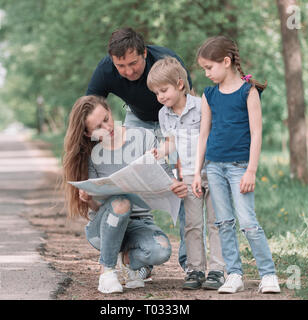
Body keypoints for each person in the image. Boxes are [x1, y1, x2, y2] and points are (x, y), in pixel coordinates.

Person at [86, 27, 192, 274]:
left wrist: (184, 148)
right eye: (121, 66)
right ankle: (137, 252)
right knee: (130, 180)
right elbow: (88, 112)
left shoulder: (167, 61)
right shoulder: (105, 69)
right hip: (137, 119)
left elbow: (190, 107)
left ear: (145, 53)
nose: (128, 71)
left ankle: (191, 264)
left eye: (133, 63)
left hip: (174, 120)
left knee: (183, 186)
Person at [62, 95, 188, 294]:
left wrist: (175, 186)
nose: (107, 127)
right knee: (121, 202)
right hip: (105, 226)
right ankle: (107, 271)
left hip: (140, 222)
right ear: (87, 134)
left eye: (106, 118)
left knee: (161, 250)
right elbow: (95, 208)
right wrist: (88, 199)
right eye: (98, 128)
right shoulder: (90, 155)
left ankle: (128, 259)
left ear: (109, 110)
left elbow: (165, 177)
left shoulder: (144, 137)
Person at [193, 36, 281, 294]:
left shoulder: (248, 91)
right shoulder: (209, 94)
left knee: (248, 222)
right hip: (214, 167)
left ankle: (268, 275)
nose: (206, 73)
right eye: (204, 69)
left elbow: (257, 133)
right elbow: (203, 135)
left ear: (226, 61)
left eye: (209, 67)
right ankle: (234, 274)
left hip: (240, 167)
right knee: (224, 223)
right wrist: (198, 172)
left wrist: (251, 169)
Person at [146, 57, 226, 290]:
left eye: (163, 90)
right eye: (156, 93)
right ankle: (195, 269)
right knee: (192, 224)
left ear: (180, 84)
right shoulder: (164, 114)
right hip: (188, 175)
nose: (160, 97)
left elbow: (213, 135)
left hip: (212, 170)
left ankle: (217, 269)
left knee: (216, 222)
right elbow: (171, 143)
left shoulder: (202, 105)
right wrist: (160, 151)